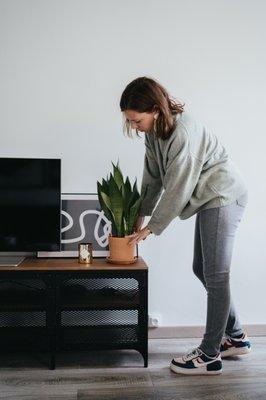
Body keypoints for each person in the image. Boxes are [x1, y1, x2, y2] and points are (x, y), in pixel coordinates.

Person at [119, 76, 251, 376]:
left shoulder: (183, 132)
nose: (133, 127)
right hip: (208, 198)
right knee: (201, 268)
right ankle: (237, 337)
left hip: (223, 195)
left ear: (154, 109)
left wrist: (153, 227)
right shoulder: (153, 133)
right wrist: (139, 217)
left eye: (136, 120)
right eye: (129, 121)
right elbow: (152, 177)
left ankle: (210, 354)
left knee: (216, 275)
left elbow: (178, 186)